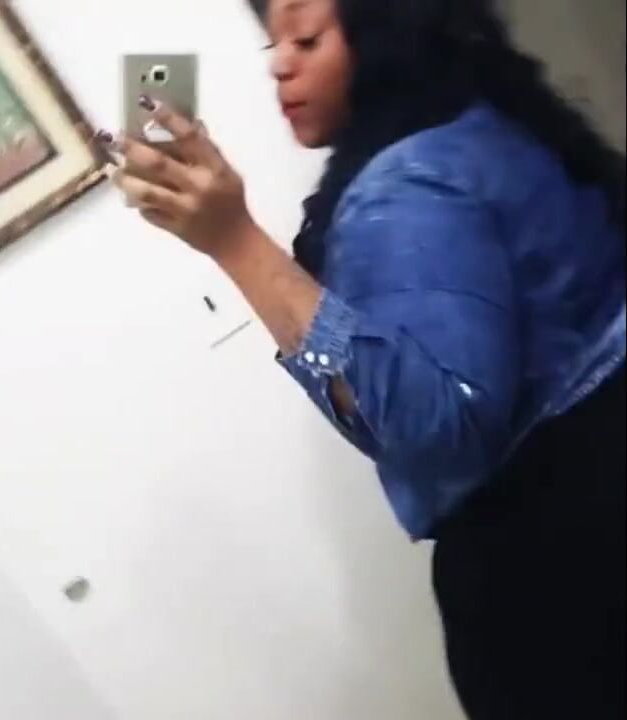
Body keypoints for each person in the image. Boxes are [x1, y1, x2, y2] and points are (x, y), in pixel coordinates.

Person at [99, 0, 626, 717]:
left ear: (384, 29)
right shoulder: (480, 125)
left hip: (564, 575)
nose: (281, 65)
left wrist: (233, 241)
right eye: (273, 46)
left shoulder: (404, 185)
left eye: (306, 37)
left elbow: (440, 427)